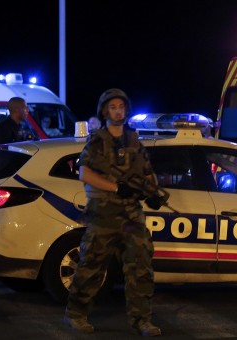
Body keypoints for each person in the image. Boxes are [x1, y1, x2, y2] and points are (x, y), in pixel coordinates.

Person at [64, 88, 163, 337]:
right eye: (112, 107)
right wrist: (117, 187)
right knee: (91, 266)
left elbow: (147, 172)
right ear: (105, 111)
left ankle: (142, 320)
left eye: (121, 106)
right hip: (103, 214)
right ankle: (76, 314)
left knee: (140, 266)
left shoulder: (133, 140)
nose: (117, 110)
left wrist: (152, 192)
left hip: (131, 213)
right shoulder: (97, 140)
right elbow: (84, 173)